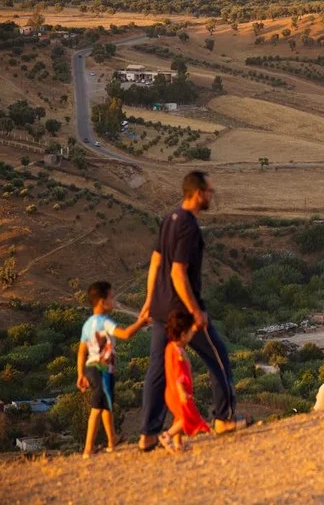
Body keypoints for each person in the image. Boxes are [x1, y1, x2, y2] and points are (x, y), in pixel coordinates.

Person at [139, 171, 244, 452]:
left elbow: (155, 262)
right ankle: (223, 419)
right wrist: (195, 311)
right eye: (210, 190)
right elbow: (176, 273)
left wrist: (150, 300)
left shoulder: (169, 219)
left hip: (162, 307)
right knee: (217, 357)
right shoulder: (188, 226)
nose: (212, 195)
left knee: (157, 371)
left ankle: (148, 434)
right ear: (197, 193)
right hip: (181, 312)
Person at [77, 281, 148, 458]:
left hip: (95, 368)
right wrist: (141, 322)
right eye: (112, 297)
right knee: (97, 404)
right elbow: (125, 334)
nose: (114, 301)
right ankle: (88, 449)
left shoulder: (88, 324)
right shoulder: (105, 322)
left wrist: (80, 374)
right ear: (102, 301)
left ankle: (111, 442)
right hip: (100, 368)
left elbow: (81, 352)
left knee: (106, 404)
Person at [159, 310, 211, 453]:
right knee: (185, 418)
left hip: (170, 392)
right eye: (190, 332)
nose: (191, 335)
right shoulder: (179, 354)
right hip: (178, 393)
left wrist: (194, 324)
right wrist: (182, 393)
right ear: (183, 335)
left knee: (179, 417)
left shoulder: (171, 347)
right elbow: (179, 376)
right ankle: (166, 436)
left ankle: (178, 445)